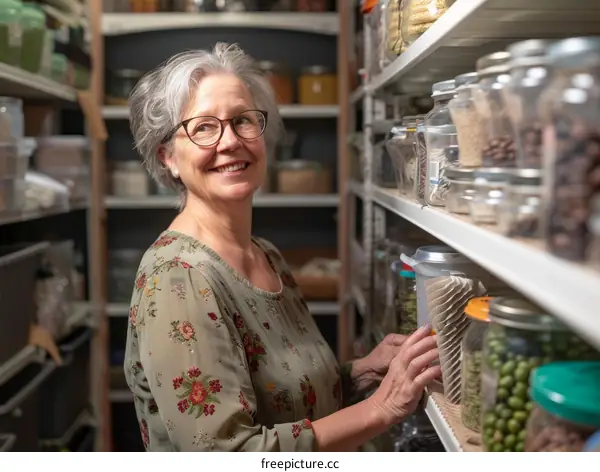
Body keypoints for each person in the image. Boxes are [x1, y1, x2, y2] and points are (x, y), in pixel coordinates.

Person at [123, 42, 441, 452]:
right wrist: (382, 407)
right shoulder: (177, 278)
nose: (230, 141)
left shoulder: (265, 255)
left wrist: (361, 374)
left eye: (243, 121)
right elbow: (228, 455)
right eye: (203, 127)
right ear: (167, 156)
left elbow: (280, 397)